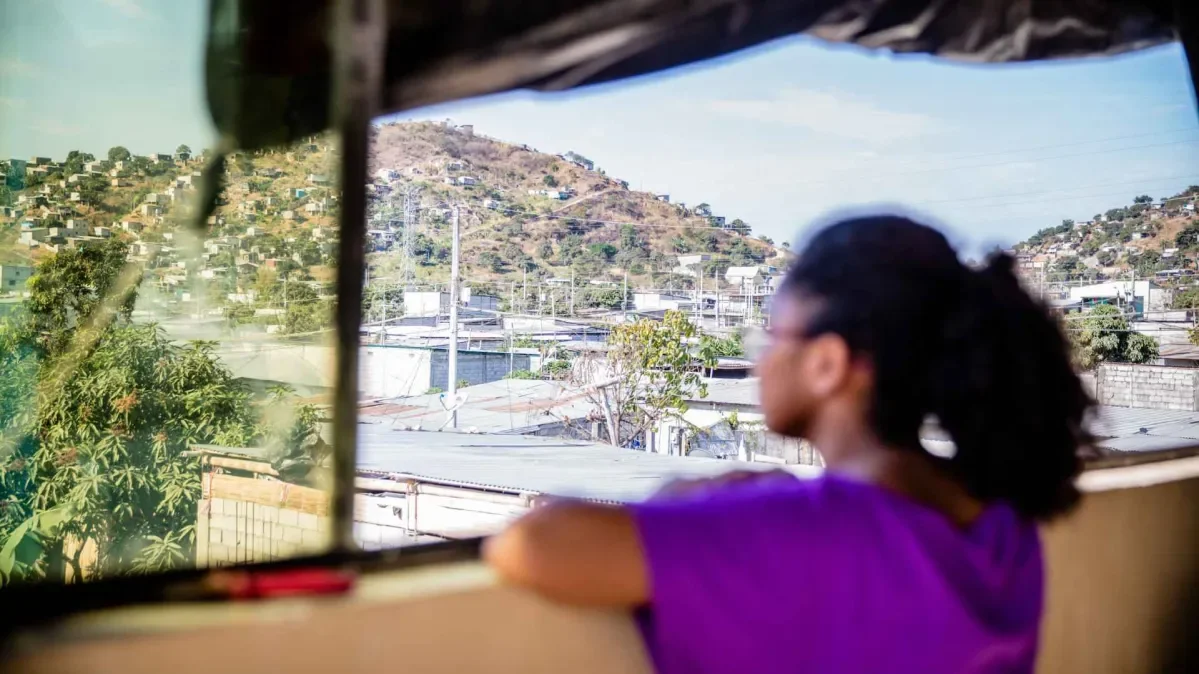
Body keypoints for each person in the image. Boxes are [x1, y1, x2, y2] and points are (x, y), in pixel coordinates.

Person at [484, 215, 1092, 674]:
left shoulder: (805, 530)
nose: (760, 355)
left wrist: (689, 490)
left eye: (773, 333)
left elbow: (528, 547)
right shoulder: (1005, 523)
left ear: (828, 363)